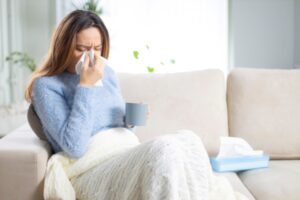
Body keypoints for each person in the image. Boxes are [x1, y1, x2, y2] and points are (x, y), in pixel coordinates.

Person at [24, 10, 224, 200]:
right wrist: (86, 85)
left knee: (189, 140)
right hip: (90, 169)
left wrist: (129, 121)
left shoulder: (107, 73)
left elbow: (113, 124)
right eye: (81, 49)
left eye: (97, 48)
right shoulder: (46, 86)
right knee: (164, 148)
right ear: (63, 46)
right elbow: (74, 146)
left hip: (124, 152)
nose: (91, 56)